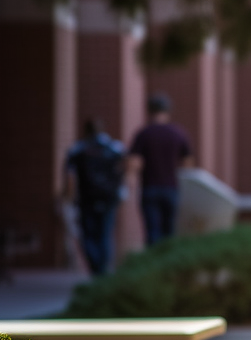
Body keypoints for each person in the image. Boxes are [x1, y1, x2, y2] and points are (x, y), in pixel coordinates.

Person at [64, 119, 127, 275]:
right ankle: (103, 268)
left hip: (86, 198)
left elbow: (70, 177)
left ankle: (96, 268)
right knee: (105, 233)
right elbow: (126, 167)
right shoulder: (114, 148)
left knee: (88, 235)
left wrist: (69, 197)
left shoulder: (78, 150)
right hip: (108, 197)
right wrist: (121, 189)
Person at [128, 94, 193, 245]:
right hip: (171, 188)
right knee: (169, 231)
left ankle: (153, 262)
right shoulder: (178, 133)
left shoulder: (144, 133)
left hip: (150, 187)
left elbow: (135, 162)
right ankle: (167, 263)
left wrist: (130, 178)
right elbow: (188, 162)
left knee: (152, 231)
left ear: (149, 111)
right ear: (169, 111)